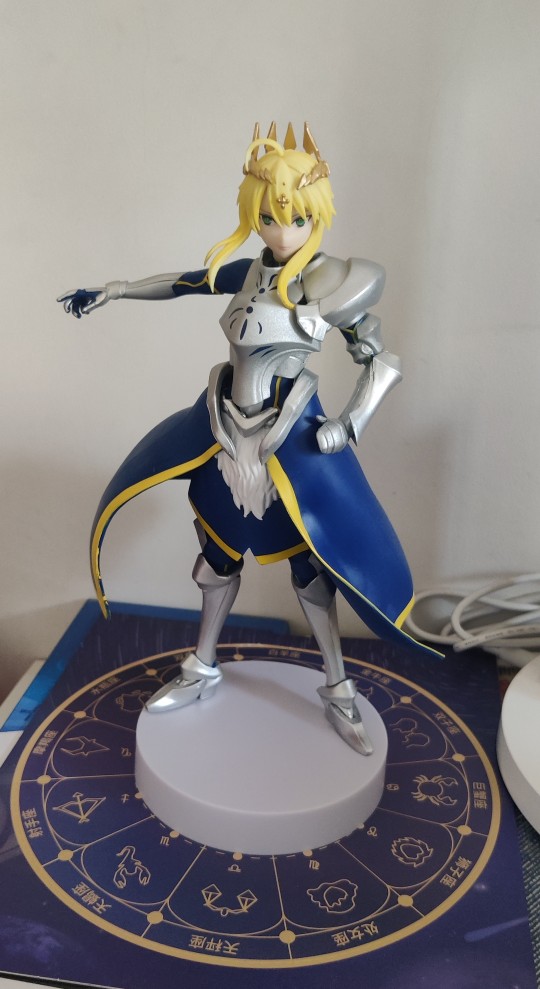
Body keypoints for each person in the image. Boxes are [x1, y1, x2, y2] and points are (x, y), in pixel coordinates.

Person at [59, 122, 439, 756]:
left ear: (315, 213)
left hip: (291, 439)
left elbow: (382, 359)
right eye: (267, 216)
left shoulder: (334, 280)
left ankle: (338, 685)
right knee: (215, 560)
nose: (280, 230)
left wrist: (351, 422)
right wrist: (116, 289)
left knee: (312, 569)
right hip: (224, 430)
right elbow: (185, 282)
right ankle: (202, 666)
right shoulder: (247, 271)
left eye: (293, 217)